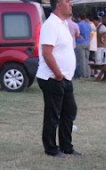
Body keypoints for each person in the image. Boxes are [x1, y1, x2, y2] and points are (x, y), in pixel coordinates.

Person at [36, 0, 81, 157]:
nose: (71, 4)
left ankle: (66, 146)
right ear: (58, 4)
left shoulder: (63, 24)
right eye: (67, 1)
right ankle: (51, 148)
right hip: (52, 78)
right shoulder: (51, 25)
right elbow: (47, 52)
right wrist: (58, 74)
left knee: (69, 111)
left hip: (64, 78)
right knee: (53, 114)